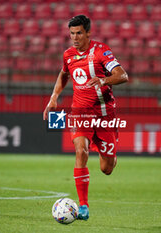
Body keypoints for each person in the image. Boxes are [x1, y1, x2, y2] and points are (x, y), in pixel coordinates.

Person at [43, 15, 128, 221]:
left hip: (105, 115)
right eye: (72, 33)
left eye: (79, 33)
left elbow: (123, 75)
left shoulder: (101, 51)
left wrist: (104, 79)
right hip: (80, 112)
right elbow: (64, 74)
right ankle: (83, 206)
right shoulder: (68, 55)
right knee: (81, 151)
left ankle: (108, 153)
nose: (75, 37)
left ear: (88, 32)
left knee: (106, 168)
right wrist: (54, 97)